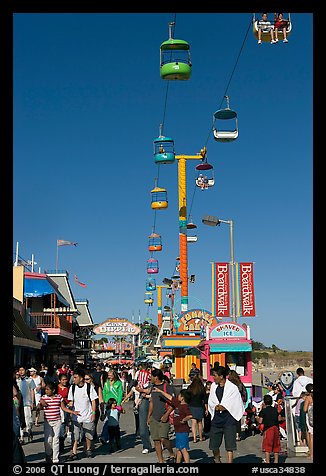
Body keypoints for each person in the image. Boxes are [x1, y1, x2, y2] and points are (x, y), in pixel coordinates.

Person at [208, 366, 244, 463]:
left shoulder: (232, 388)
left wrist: (225, 406)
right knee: (214, 445)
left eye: (215, 376)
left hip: (228, 420)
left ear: (221, 376)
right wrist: (215, 406)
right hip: (216, 419)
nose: (213, 378)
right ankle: (217, 460)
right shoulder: (213, 387)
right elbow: (211, 400)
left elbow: (236, 402)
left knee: (230, 446)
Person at [37, 381, 80, 463]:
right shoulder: (44, 397)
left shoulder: (59, 397)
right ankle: (48, 454)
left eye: (48, 389)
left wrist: (72, 412)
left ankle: (55, 458)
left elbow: (63, 408)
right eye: (45, 389)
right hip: (48, 421)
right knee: (48, 440)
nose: (46, 391)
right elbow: (39, 406)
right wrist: (40, 405)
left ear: (53, 390)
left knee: (56, 439)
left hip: (57, 421)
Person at [65, 368, 98, 461]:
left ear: (81, 378)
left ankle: (88, 449)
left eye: (75, 377)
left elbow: (93, 400)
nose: (73, 379)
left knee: (88, 434)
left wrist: (94, 412)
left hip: (87, 414)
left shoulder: (88, 387)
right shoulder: (72, 388)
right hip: (76, 415)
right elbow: (71, 401)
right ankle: (74, 452)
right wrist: (70, 410)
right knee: (75, 435)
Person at [153, 387, 193, 463]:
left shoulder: (185, 407)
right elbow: (170, 397)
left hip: (183, 431)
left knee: (183, 449)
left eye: (179, 395)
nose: (178, 396)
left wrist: (184, 419)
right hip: (178, 430)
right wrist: (160, 391)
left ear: (182, 398)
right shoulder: (178, 404)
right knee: (178, 449)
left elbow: (190, 415)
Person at [147, 368, 175, 463]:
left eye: (151, 376)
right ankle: (161, 461)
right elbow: (151, 402)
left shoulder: (167, 387)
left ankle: (171, 453)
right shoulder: (152, 387)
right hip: (153, 417)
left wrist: (167, 414)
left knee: (164, 438)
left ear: (156, 377)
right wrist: (149, 416)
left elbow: (174, 403)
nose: (150, 377)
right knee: (156, 440)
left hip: (164, 416)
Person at [257, 394, 281, 463]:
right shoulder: (275, 410)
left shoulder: (263, 411)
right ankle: (276, 461)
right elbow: (278, 418)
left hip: (268, 429)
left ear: (264, 402)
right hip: (276, 428)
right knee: (276, 445)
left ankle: (268, 461)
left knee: (267, 446)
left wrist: (257, 418)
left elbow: (260, 421)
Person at [16, 366, 36, 444]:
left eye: (22, 370)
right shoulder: (17, 381)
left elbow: (32, 391)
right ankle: (21, 437)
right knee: (20, 420)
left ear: (25, 371)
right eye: (19, 370)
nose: (21, 371)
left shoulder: (29, 380)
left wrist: (32, 402)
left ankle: (29, 430)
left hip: (27, 402)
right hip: (19, 403)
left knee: (28, 420)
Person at [227, 370, 247, 441]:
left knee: (230, 419)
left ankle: (231, 434)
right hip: (238, 402)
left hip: (230, 403)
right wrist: (244, 401)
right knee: (237, 419)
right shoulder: (239, 383)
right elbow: (244, 392)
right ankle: (237, 435)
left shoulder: (228, 384)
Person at [187, 375, 208, 442]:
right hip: (199, 406)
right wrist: (206, 409)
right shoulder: (201, 388)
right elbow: (205, 400)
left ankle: (194, 438)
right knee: (200, 422)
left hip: (191, 406)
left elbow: (187, 398)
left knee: (193, 423)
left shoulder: (190, 388)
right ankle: (201, 437)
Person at [57, 373, 71, 452]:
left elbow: (71, 397)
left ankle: (66, 435)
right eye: (63, 380)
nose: (65, 381)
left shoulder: (69, 387)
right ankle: (61, 442)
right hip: (57, 408)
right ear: (59, 380)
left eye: (66, 379)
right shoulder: (56, 387)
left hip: (66, 407)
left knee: (66, 422)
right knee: (61, 424)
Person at [303, 383, 313, 460]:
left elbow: (305, 409)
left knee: (311, 436)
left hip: (311, 418)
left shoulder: (309, 397)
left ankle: (312, 454)